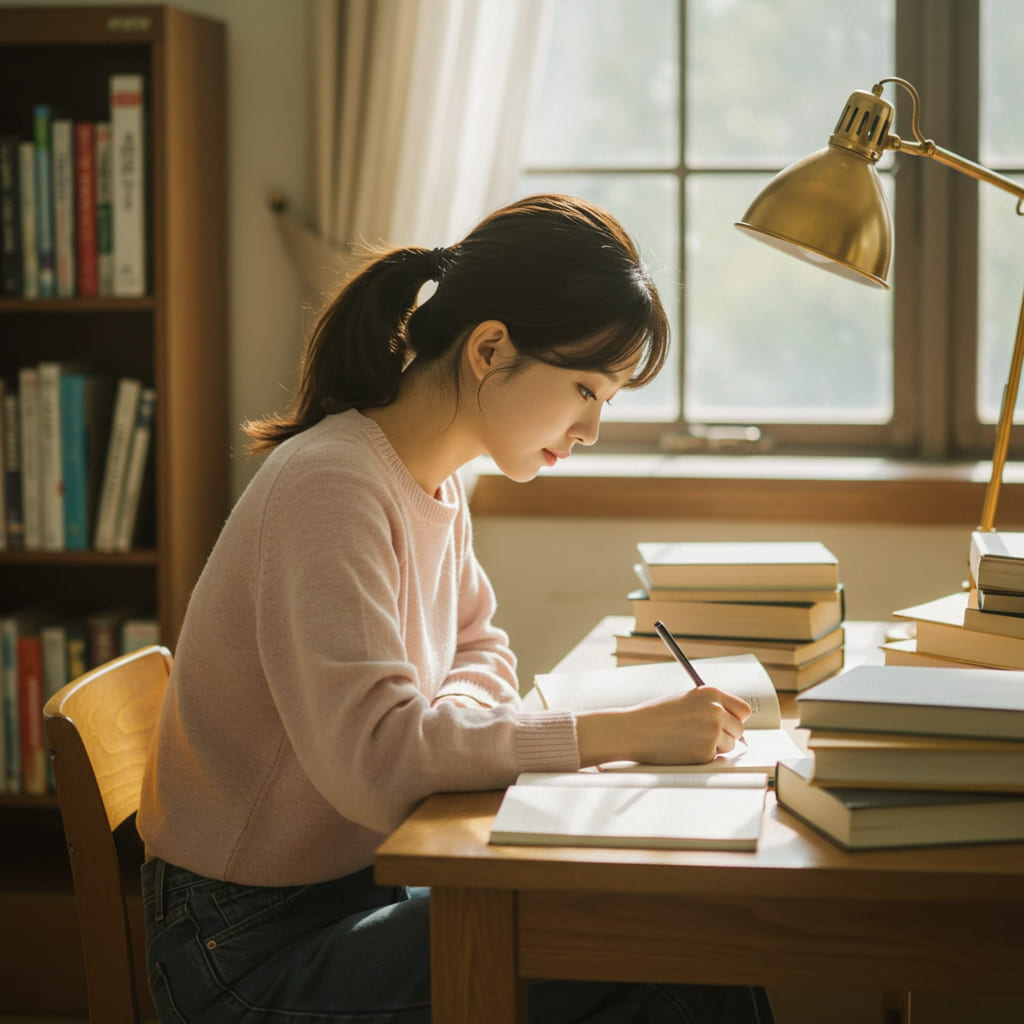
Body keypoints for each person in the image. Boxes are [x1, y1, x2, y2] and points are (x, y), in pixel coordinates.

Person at [137, 193, 773, 1023]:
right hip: (245, 946)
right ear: (489, 348)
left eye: (607, 400)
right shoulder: (332, 485)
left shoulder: (430, 481)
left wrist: (447, 724)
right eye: (584, 387)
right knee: (664, 952)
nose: (590, 429)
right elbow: (379, 764)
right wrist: (622, 734)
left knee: (674, 931)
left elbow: (481, 649)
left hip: (357, 889)